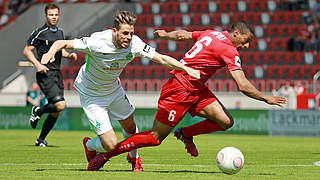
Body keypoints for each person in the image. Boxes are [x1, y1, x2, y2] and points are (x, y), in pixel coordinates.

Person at [81, 22, 287, 171]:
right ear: (235, 33)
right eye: (247, 40)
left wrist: (165, 34)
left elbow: (182, 36)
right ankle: (106, 154)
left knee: (225, 121)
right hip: (179, 89)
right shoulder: (228, 48)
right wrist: (266, 98)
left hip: (197, 88)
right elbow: (242, 85)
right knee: (155, 137)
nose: (247, 46)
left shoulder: (211, 34)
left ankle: (186, 133)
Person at [40, 11, 200, 172]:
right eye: (125, 33)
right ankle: (89, 145)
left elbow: (162, 58)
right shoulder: (97, 41)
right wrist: (50, 52)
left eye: (131, 33)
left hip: (114, 89)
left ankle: (134, 158)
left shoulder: (134, 44)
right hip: (92, 95)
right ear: (114, 31)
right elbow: (62, 42)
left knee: (131, 127)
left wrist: (186, 68)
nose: (128, 37)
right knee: (110, 145)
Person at [23, 3, 77, 147]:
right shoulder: (40, 32)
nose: (54, 17)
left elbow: (59, 50)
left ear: (58, 15)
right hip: (45, 73)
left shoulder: (60, 33)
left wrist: (69, 55)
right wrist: (38, 65)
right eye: (51, 15)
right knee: (60, 105)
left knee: (56, 112)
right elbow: (27, 51)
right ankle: (39, 110)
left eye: (56, 14)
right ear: (46, 16)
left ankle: (40, 139)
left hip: (57, 74)